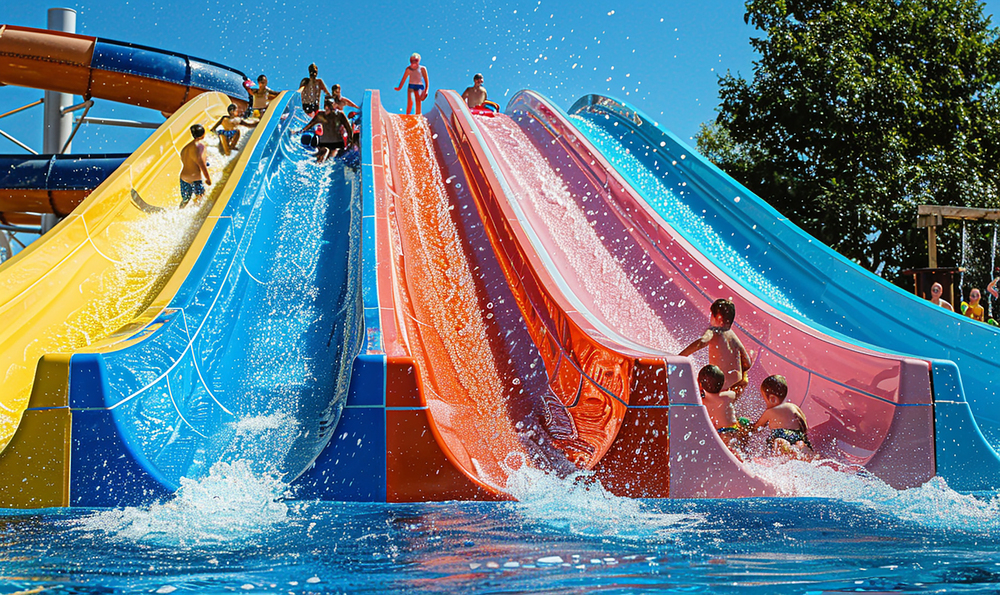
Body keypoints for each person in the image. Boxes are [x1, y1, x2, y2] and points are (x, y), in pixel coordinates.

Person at [680, 298, 753, 396]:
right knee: (725, 405)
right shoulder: (733, 336)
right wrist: (742, 379)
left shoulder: (714, 331)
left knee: (701, 380)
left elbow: (702, 341)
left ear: (718, 318)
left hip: (719, 384)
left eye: (711, 315)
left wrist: (680, 356)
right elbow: (747, 362)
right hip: (736, 384)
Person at [752, 375, 813, 458]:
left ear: (772, 399)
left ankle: (787, 448)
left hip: (781, 434)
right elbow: (803, 422)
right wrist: (803, 435)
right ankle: (801, 447)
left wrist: (749, 427)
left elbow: (758, 426)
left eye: (765, 400)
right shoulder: (793, 406)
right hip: (796, 434)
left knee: (779, 443)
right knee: (799, 445)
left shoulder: (770, 411)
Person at [698, 364, 749, 453]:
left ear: (700, 384)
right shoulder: (729, 395)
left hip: (719, 433)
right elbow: (736, 391)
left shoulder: (702, 401)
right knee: (736, 452)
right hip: (732, 430)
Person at [298, 99, 353, 163]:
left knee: (330, 155)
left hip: (336, 143)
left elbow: (348, 129)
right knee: (324, 152)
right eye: (326, 106)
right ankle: (318, 163)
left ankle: (322, 162)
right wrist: (300, 131)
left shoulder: (340, 115)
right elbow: (309, 125)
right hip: (324, 142)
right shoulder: (320, 115)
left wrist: (350, 140)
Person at [179, 124, 211, 208]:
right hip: (195, 178)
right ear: (203, 134)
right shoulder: (200, 147)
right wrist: (208, 178)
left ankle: (180, 210)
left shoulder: (185, 148)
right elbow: (201, 164)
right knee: (200, 197)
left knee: (185, 199)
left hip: (184, 177)